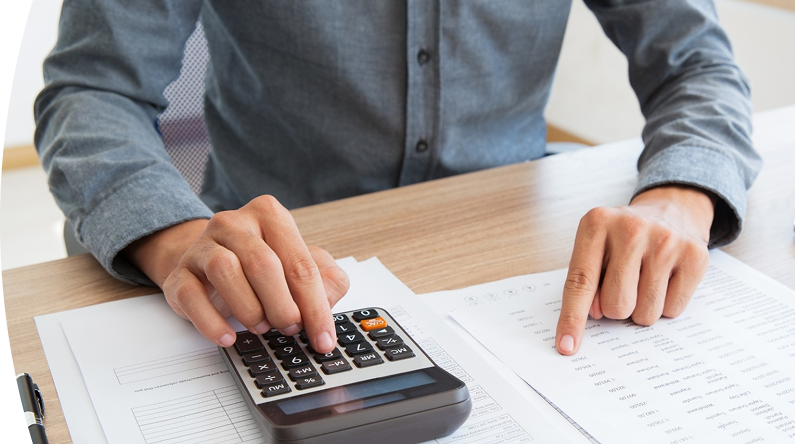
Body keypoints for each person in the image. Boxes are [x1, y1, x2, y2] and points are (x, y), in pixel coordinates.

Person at [34, 1, 761, 357]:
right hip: (260, 275)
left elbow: (696, 63)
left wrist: (681, 195)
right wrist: (171, 234)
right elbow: (92, 89)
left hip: (513, 267)